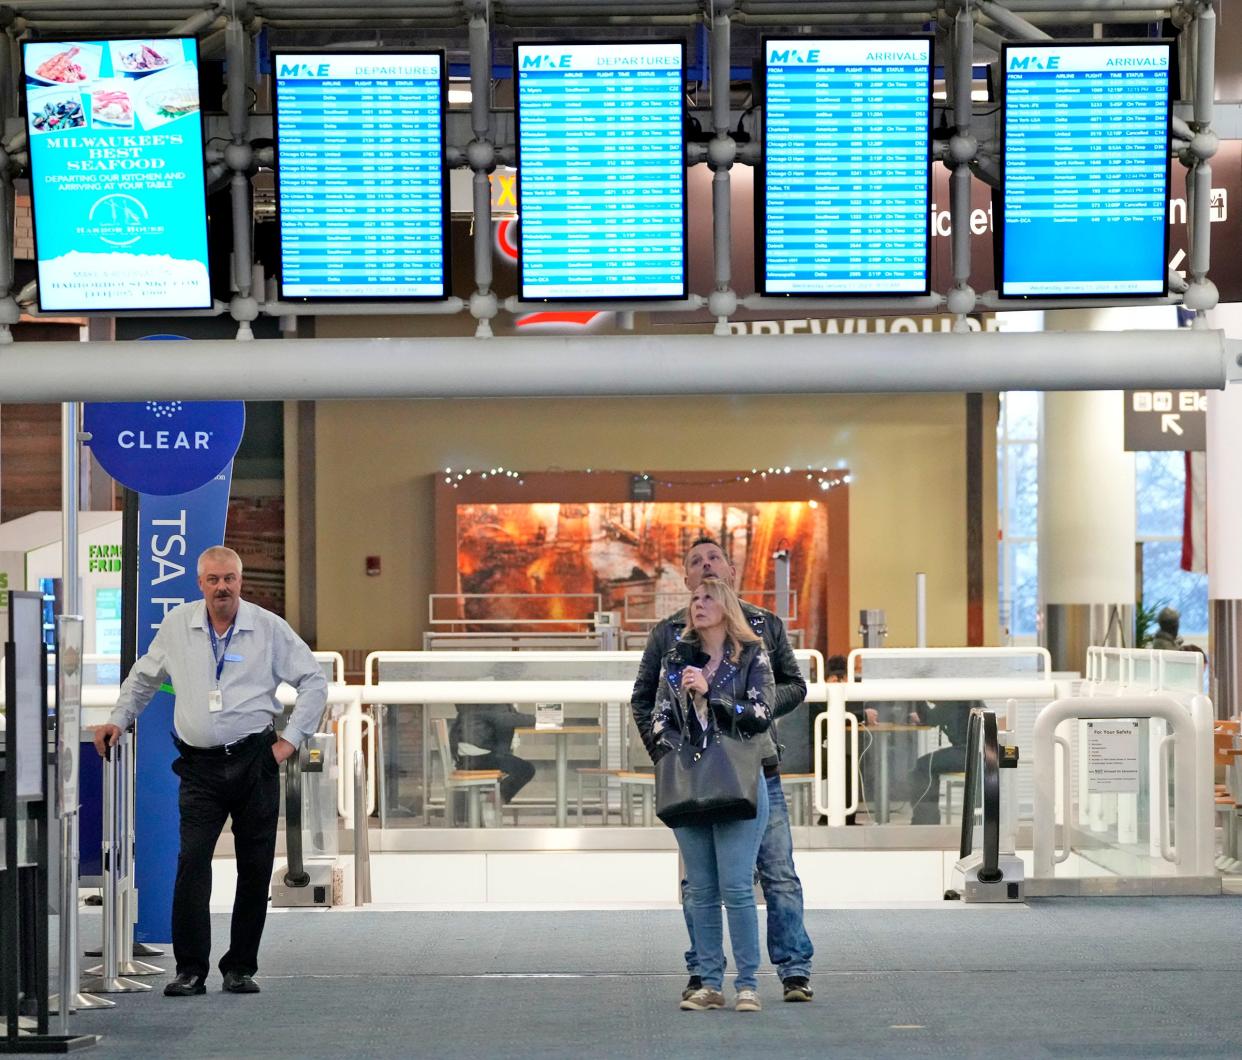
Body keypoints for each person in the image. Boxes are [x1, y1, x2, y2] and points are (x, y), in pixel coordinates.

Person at [92, 546, 327, 998]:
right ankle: (190, 970)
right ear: (200, 584)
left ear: (241, 582)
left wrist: (291, 742)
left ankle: (240, 967)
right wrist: (117, 720)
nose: (222, 587)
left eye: (230, 579)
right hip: (199, 767)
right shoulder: (179, 624)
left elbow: (313, 680)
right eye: (214, 579)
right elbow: (143, 679)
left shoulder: (267, 628)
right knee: (192, 862)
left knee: (255, 868)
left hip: (255, 760)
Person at [632, 536, 814, 1003]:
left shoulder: (763, 630)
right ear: (686, 579)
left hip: (757, 769)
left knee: (776, 872)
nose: (705, 568)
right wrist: (666, 758)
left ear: (730, 572)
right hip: (691, 777)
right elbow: (645, 701)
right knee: (699, 884)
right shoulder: (668, 639)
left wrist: (750, 718)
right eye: (695, 564)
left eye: (714, 559)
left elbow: (793, 687)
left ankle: (793, 969)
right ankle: (704, 973)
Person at [649, 578, 774, 1012]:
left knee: (738, 887)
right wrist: (670, 749)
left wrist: (713, 694)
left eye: (707, 599)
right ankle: (707, 982)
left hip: (737, 782)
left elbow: (760, 714)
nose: (698, 605)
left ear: (726, 607)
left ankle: (748, 984)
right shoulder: (675, 660)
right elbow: (659, 717)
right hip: (689, 783)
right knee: (699, 889)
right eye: (694, 599)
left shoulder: (752, 658)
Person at [904, 700, 977, 825]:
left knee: (922, 766)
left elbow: (928, 718)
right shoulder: (966, 699)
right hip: (975, 752)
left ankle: (925, 821)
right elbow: (929, 718)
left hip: (966, 753)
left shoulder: (951, 702)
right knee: (928, 763)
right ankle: (927, 819)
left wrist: (918, 700)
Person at [449, 703, 537, 807]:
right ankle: (489, 802)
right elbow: (505, 719)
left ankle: (491, 800)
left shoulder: (480, 702)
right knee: (525, 769)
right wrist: (539, 719)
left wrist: (537, 718)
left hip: (468, 756)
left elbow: (511, 717)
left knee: (517, 766)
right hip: (478, 757)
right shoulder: (490, 702)